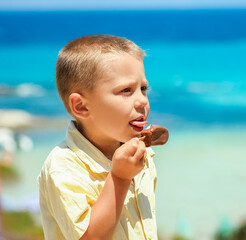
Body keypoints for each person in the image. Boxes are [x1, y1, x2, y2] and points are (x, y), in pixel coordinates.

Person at [38, 34, 159, 240]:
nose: (141, 101)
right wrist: (119, 178)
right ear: (81, 106)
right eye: (126, 90)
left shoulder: (139, 154)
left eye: (143, 88)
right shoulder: (63, 166)